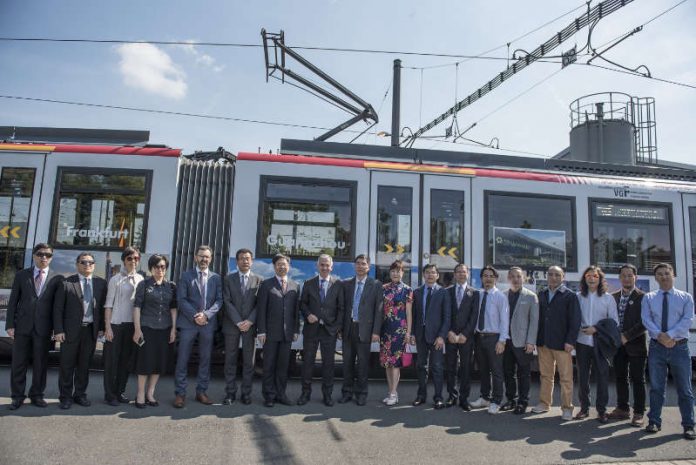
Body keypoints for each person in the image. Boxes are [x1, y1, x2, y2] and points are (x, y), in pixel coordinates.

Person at [6, 243, 64, 410]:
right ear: (34, 256)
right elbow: (13, 302)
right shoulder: (21, 275)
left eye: (47, 254)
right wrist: (10, 324)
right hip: (22, 327)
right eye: (40, 254)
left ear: (51, 258)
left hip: (44, 329)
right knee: (18, 364)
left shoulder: (56, 278)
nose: (43, 257)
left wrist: (57, 328)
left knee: (41, 364)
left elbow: (57, 307)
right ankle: (17, 396)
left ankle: (37, 395)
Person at [641, 263, 695, 440]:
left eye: (667, 273)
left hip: (679, 347)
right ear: (656, 278)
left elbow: (687, 320)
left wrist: (670, 336)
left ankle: (689, 425)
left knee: (684, 389)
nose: (664, 277)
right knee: (656, 388)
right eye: (660, 274)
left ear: (673, 275)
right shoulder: (649, 298)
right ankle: (654, 422)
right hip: (657, 347)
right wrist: (660, 336)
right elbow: (646, 319)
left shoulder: (685, 297)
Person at [53, 252, 107, 409]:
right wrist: (59, 330)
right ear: (77, 265)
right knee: (66, 366)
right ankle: (65, 397)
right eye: (84, 262)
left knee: (84, 366)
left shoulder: (100, 284)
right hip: (69, 332)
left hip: (90, 331)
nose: (87, 265)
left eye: (91, 262)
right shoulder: (67, 283)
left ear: (94, 265)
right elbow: (58, 309)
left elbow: (102, 309)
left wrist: (102, 328)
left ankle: (80, 395)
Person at [174, 245, 223, 408]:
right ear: (195, 257)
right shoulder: (186, 276)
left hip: (208, 324)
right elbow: (181, 299)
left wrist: (206, 315)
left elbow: (219, 301)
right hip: (188, 323)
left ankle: (201, 392)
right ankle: (180, 394)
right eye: (201, 256)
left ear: (211, 259)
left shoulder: (216, 278)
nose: (204, 259)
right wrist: (196, 315)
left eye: (207, 257)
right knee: (182, 359)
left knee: (205, 359)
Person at [532, 265, 581, 421]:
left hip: (562, 344)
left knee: (566, 378)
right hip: (543, 343)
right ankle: (544, 403)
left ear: (563, 277)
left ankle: (567, 408)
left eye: (557, 275)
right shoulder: (542, 294)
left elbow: (575, 321)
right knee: (546, 375)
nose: (553, 277)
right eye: (550, 274)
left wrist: (570, 341)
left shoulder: (570, 296)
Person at [574, 265, 619, 423]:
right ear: (584, 279)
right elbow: (573, 318)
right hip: (582, 342)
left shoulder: (608, 298)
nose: (591, 278)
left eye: (595, 276)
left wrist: (596, 328)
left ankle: (601, 411)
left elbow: (614, 322)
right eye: (588, 276)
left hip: (601, 343)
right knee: (583, 377)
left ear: (600, 279)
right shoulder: (578, 297)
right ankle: (584, 408)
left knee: (602, 377)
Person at [298, 254, 344, 407]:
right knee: (308, 364)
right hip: (311, 330)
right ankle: (305, 394)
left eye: (327, 265)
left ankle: (327, 395)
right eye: (322, 265)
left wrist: (336, 327)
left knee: (328, 365)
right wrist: (308, 314)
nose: (324, 268)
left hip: (329, 331)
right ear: (317, 266)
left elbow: (341, 309)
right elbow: (302, 303)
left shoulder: (338, 284)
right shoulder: (309, 283)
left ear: (332, 267)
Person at [132, 254, 177, 408]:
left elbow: (173, 309)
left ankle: (150, 393)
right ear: (151, 268)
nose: (160, 270)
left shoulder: (171, 286)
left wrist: (173, 329)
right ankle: (140, 393)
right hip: (147, 328)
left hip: (164, 329)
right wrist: (137, 329)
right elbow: (137, 307)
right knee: (145, 362)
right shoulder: (143, 285)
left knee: (158, 363)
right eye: (156, 266)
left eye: (163, 266)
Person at [338, 254, 383, 406]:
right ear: (354, 266)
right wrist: (340, 328)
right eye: (358, 263)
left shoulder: (376, 285)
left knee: (363, 364)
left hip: (365, 329)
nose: (360, 266)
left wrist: (376, 332)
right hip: (348, 327)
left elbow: (379, 310)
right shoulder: (347, 284)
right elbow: (342, 308)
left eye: (363, 264)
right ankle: (347, 392)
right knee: (347, 363)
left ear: (368, 267)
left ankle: (362, 394)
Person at [257, 253, 300, 407]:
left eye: (285, 264)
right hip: (269, 333)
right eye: (279, 264)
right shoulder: (266, 284)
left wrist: (295, 330)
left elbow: (296, 311)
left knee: (283, 367)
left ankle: (281, 394)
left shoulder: (295, 285)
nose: (282, 267)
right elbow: (261, 309)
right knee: (269, 365)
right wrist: (261, 331)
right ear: (274, 266)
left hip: (287, 334)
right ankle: (269, 395)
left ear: (289, 267)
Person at [103, 246, 144, 406]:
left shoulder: (141, 279)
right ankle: (110, 394)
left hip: (132, 327)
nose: (133, 261)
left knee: (126, 362)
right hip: (116, 325)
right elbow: (108, 305)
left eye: (136, 258)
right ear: (124, 260)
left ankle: (120, 391)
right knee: (111, 362)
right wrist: (108, 327)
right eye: (129, 258)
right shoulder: (115, 279)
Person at [607, 264, 647, 427]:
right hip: (618, 346)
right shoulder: (613, 297)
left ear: (635, 277)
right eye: (623, 275)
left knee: (638, 379)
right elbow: (609, 319)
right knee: (620, 378)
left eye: (630, 275)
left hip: (636, 344)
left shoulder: (644, 297)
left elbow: (644, 322)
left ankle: (638, 413)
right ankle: (623, 409)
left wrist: (627, 336)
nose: (626, 278)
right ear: (619, 278)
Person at [222, 248, 262, 405]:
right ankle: (230, 394)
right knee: (230, 361)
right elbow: (227, 301)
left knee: (249, 362)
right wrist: (238, 321)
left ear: (251, 261)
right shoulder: (228, 279)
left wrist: (250, 321)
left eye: (247, 258)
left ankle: (246, 394)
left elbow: (259, 304)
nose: (245, 261)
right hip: (232, 325)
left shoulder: (259, 280)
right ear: (237, 261)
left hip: (250, 327)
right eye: (242, 258)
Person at [412, 264, 451, 409]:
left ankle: (438, 398)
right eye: (427, 272)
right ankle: (421, 396)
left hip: (436, 337)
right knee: (421, 366)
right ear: (423, 275)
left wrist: (442, 336)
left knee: (437, 367)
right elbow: (415, 316)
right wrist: (412, 334)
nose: (430, 275)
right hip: (421, 335)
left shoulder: (443, 292)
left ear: (437, 275)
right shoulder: (417, 292)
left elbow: (447, 317)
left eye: (433, 272)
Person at [470, 266, 509, 414]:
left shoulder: (500, 297)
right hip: (479, 338)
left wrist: (502, 340)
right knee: (483, 370)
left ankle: (496, 400)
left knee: (497, 371)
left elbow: (505, 321)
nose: (488, 278)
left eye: (491, 276)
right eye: (485, 276)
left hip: (494, 338)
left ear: (496, 279)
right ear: (481, 278)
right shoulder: (478, 295)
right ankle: (484, 397)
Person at [501, 266, 538, 415]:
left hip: (523, 342)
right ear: (508, 278)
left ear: (523, 278)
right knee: (508, 373)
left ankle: (523, 402)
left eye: (518, 276)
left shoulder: (531, 296)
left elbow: (534, 321)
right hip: (506, 341)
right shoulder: (502, 295)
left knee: (524, 374)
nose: (516, 279)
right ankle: (511, 400)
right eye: (513, 277)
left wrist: (531, 342)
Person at [445, 263, 479, 411]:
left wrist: (465, 334)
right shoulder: (447, 292)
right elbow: (444, 315)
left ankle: (464, 398)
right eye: (458, 272)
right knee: (450, 367)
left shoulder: (474, 293)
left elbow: (474, 316)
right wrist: (449, 332)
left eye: (463, 272)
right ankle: (452, 396)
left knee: (465, 368)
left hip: (466, 337)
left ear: (468, 274)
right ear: (454, 274)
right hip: (450, 336)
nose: (461, 274)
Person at [379, 260, 412, 406]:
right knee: (387, 363)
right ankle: (391, 392)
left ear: (402, 273)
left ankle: (394, 393)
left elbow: (409, 313)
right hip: (385, 330)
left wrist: (408, 333)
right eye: (393, 271)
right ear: (389, 273)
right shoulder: (383, 288)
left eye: (398, 271)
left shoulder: (408, 290)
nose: (395, 273)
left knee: (396, 363)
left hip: (400, 330)